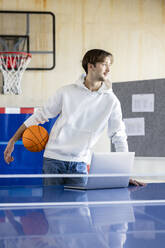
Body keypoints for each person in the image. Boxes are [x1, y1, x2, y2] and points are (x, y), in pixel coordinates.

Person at [4, 49, 144, 186]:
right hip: (53, 160)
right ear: (91, 66)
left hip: (81, 163)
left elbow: (118, 135)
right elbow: (39, 115)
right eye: (104, 64)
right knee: (52, 206)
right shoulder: (66, 92)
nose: (108, 70)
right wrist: (12, 140)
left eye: (110, 65)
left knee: (79, 208)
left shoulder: (112, 101)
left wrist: (125, 174)